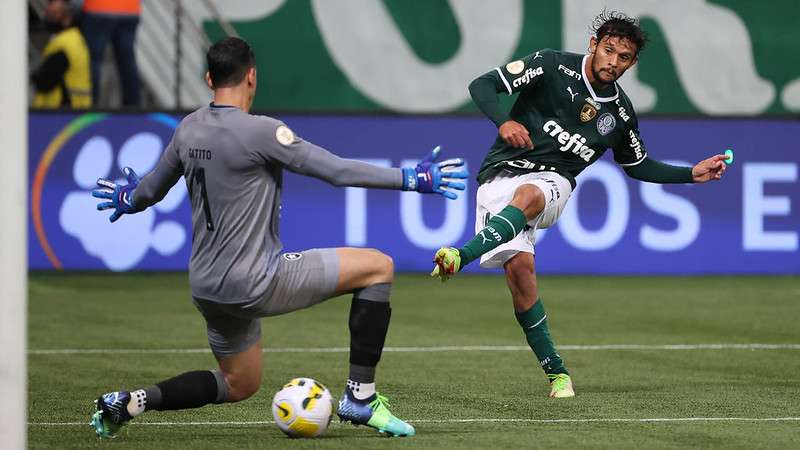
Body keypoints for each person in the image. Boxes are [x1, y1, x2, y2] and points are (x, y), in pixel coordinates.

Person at [89, 37, 468, 439]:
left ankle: (131, 401)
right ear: (252, 76)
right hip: (256, 281)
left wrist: (125, 198)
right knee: (378, 267)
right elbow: (335, 171)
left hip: (206, 287)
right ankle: (360, 397)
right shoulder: (264, 132)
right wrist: (412, 178)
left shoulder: (188, 129)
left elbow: (145, 194)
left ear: (208, 78)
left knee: (239, 383)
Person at [430, 11, 727, 398]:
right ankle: (558, 374)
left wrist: (692, 174)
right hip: (499, 175)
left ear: (632, 63)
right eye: (608, 51)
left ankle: (458, 255)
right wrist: (503, 121)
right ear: (593, 45)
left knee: (532, 195)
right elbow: (482, 85)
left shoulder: (619, 113)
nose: (613, 62)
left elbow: (638, 165)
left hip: (553, 183)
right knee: (521, 276)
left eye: (623, 58)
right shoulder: (550, 65)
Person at [31, 0, 92, 109]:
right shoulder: (75, 39)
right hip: (74, 110)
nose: (46, 17)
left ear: (67, 19)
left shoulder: (64, 44)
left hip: (60, 112)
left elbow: (45, 82)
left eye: (53, 14)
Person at [80, 0, 141, 106]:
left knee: (93, 61)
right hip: (130, 9)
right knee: (127, 62)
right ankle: (133, 109)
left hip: (98, 8)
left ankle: (88, 106)